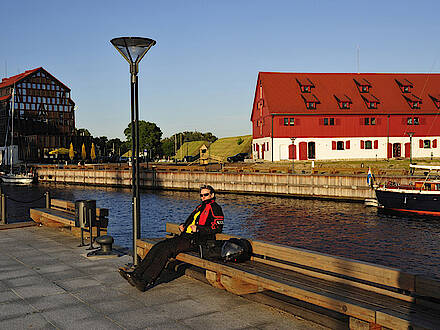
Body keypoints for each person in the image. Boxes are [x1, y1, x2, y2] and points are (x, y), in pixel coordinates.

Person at [119, 184, 224, 291]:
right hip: (186, 237)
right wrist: (184, 225)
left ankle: (145, 281)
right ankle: (136, 274)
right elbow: (192, 221)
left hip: (197, 241)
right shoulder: (200, 207)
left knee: (166, 249)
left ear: (212, 195)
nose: (203, 197)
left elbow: (217, 227)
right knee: (158, 246)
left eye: (205, 195)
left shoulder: (215, 208)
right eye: (201, 195)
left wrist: (199, 229)